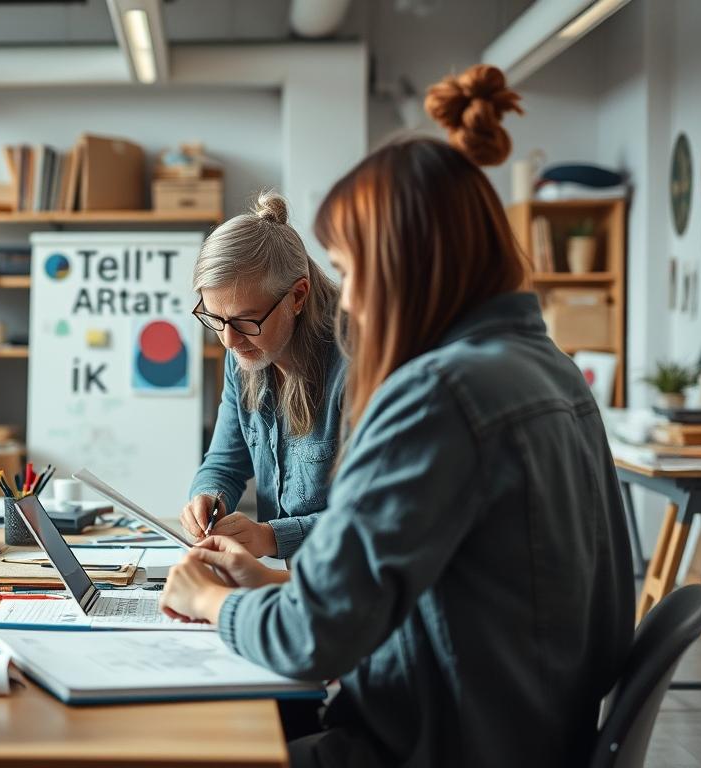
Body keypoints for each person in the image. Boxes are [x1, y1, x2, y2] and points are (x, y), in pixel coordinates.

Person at [160, 64, 633, 767]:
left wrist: (210, 602)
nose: (347, 301)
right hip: (527, 729)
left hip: (439, 741)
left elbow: (311, 640)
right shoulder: (550, 368)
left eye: (351, 273)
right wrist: (281, 587)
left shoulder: (440, 394)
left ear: (408, 265)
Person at [180, 191, 345, 562]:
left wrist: (271, 537)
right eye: (215, 318)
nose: (228, 340)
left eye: (245, 320)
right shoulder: (245, 350)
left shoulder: (358, 363)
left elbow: (376, 514)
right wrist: (208, 495)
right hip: (286, 579)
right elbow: (224, 462)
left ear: (297, 296)